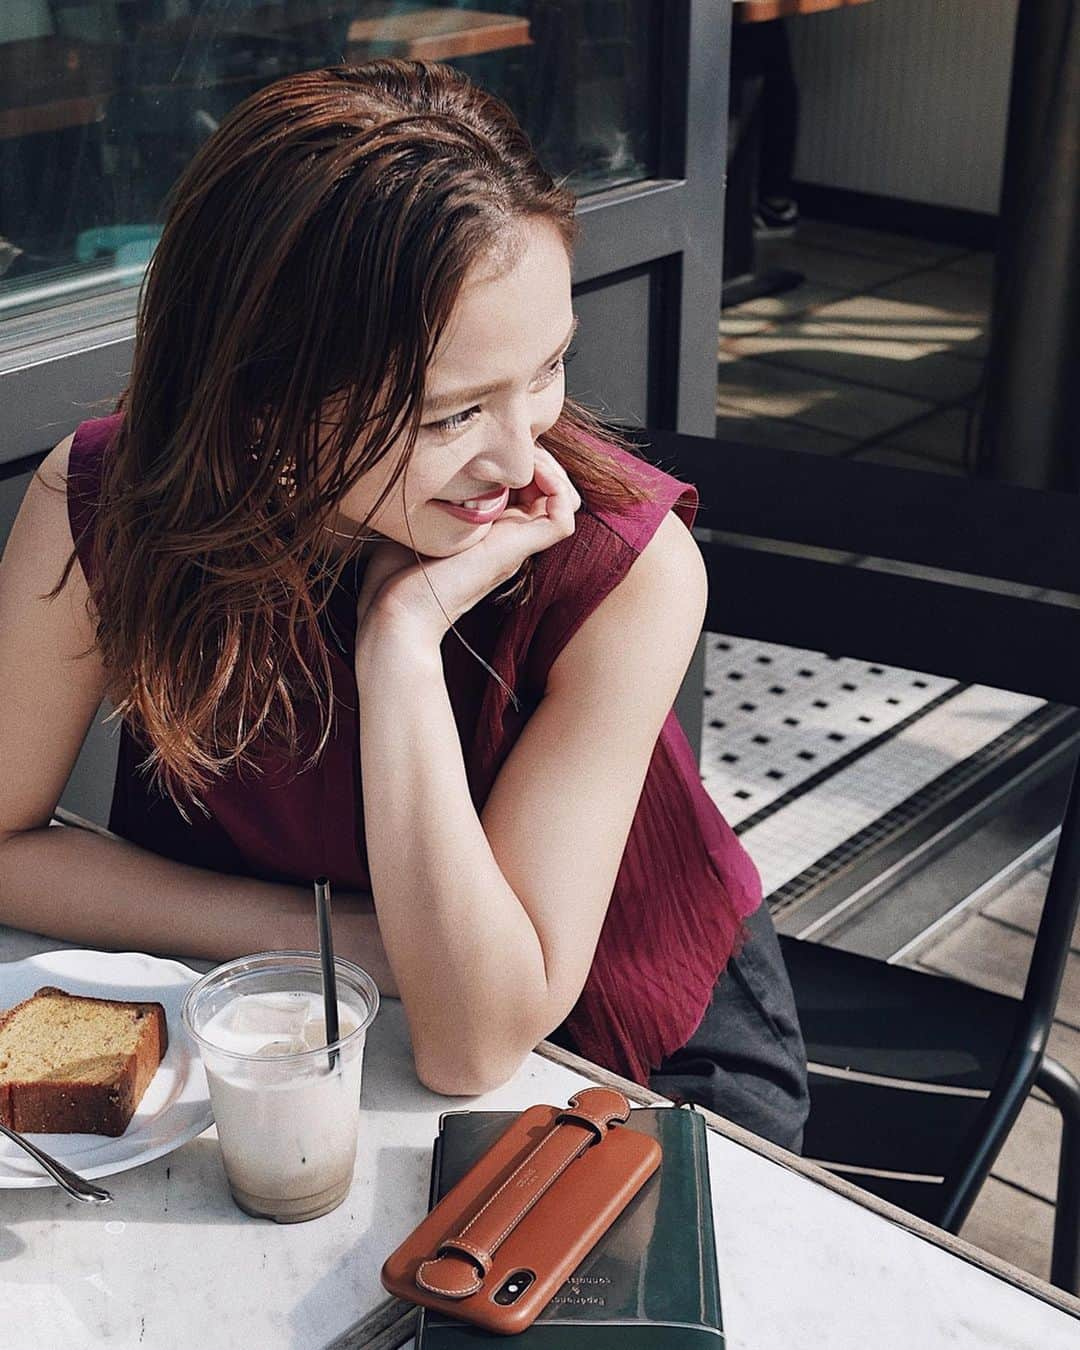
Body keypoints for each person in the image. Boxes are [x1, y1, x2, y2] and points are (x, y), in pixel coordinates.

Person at [0, 61, 808, 1151]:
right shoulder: (107, 501)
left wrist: (403, 642)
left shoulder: (624, 564)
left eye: (549, 365)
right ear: (259, 396)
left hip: (626, 1060)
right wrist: (333, 942)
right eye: (449, 415)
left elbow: (474, 1043)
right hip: (262, 1022)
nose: (521, 458)